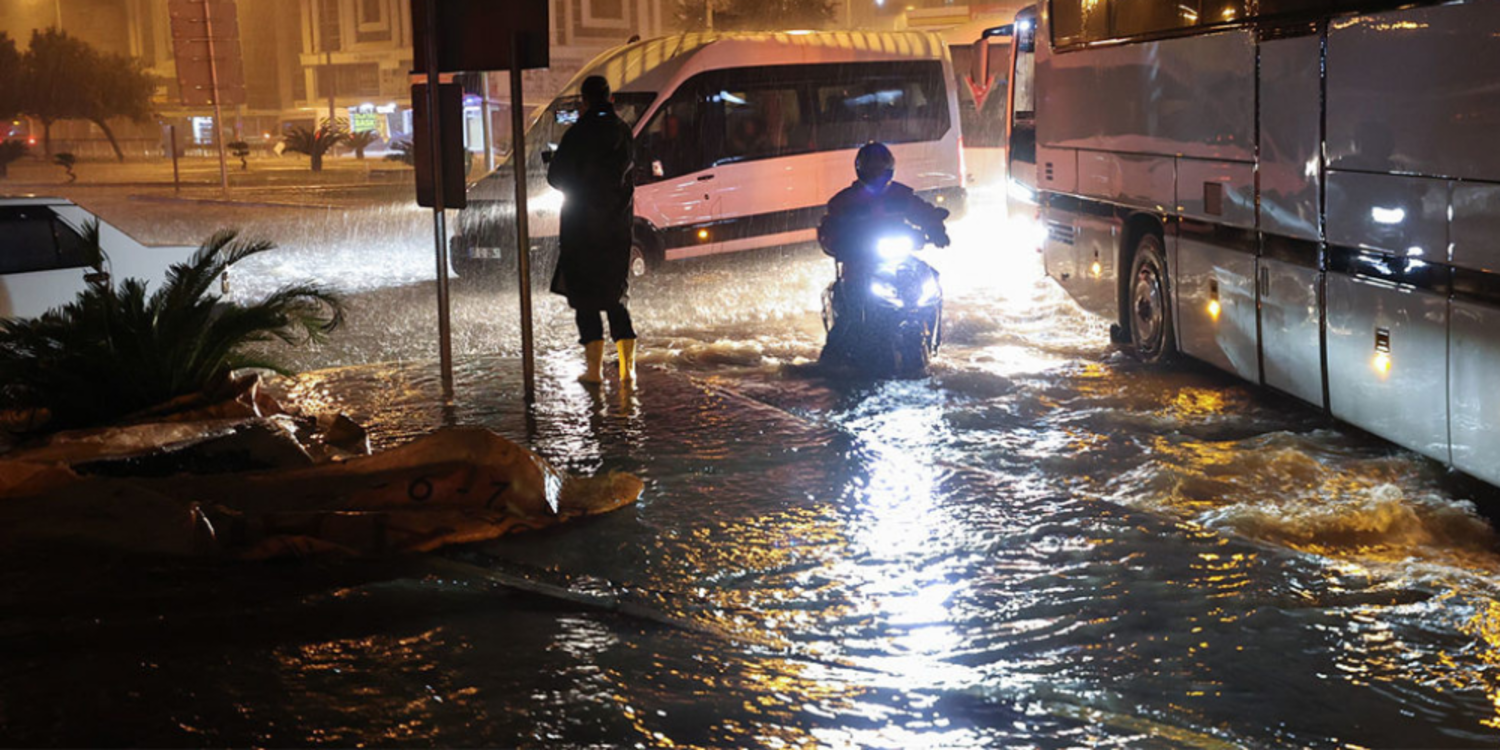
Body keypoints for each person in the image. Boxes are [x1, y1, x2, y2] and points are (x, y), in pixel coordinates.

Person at [817, 142, 950, 364]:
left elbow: (924, 212)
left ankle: (932, 337)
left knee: (931, 278)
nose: (876, 172)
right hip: (860, 263)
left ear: (889, 168)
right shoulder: (844, 201)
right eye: (871, 168)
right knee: (852, 310)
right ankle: (830, 360)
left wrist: (936, 229)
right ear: (861, 169)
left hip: (898, 258)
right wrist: (841, 245)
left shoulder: (901, 194)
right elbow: (829, 232)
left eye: (880, 167)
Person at [547, 75, 639, 385]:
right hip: (616, 228)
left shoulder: (577, 134)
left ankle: (594, 371)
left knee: (585, 298)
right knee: (615, 296)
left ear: (584, 101)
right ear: (610, 99)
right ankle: (628, 370)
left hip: (581, 229)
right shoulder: (623, 132)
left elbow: (556, 177)